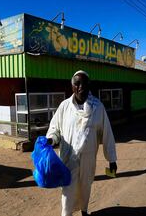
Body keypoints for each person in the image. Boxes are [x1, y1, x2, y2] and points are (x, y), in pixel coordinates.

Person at [46, 70, 117, 216]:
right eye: (77, 84)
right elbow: (55, 129)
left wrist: (111, 159)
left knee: (86, 188)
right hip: (68, 160)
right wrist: (51, 139)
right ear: (72, 86)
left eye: (84, 84)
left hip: (88, 159)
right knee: (67, 193)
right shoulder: (64, 107)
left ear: (89, 85)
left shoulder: (98, 108)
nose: (81, 87)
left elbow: (107, 134)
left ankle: (84, 211)